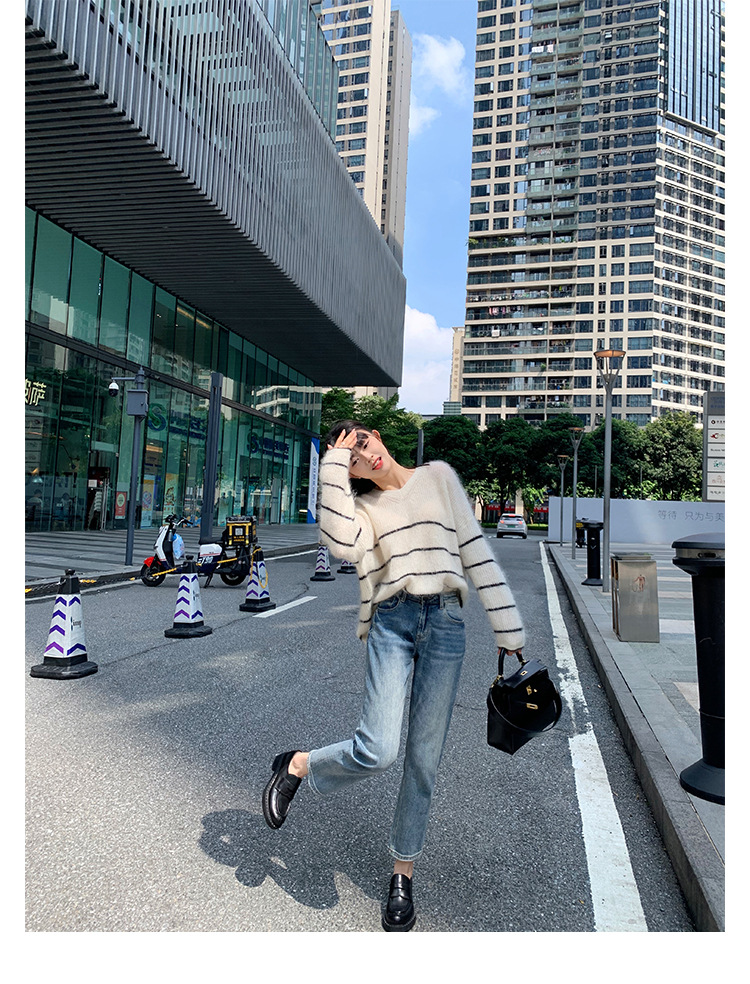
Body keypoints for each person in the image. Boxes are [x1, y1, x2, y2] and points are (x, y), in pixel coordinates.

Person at [262, 420, 525, 931]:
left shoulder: (439, 478)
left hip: (446, 624)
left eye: (362, 444)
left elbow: (475, 551)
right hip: (393, 621)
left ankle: (402, 874)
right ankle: (299, 764)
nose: (364, 457)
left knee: (424, 761)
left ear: (378, 435)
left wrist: (507, 626)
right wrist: (333, 467)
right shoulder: (363, 509)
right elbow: (339, 543)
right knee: (378, 750)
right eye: (352, 460)